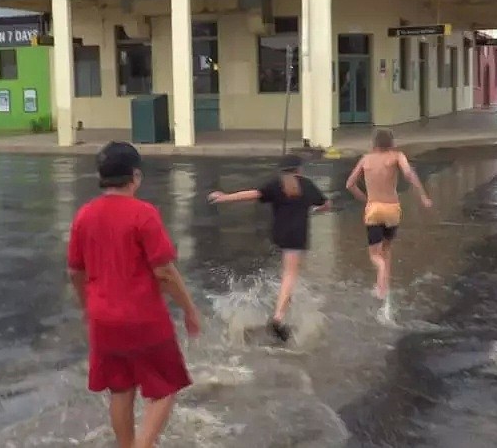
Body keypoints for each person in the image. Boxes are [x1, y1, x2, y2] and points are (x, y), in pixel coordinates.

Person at [67, 141, 202, 448]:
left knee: (120, 389)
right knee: (167, 386)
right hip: (143, 319)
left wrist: (88, 307)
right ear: (136, 176)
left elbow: (75, 272)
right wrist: (190, 310)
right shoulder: (143, 213)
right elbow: (164, 272)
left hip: (104, 321)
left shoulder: (84, 215)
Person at [208, 154, 330, 342]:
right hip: (297, 236)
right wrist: (315, 210)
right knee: (290, 275)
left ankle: (285, 301)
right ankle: (278, 318)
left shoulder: (276, 184)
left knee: (289, 272)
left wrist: (225, 198)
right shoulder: (307, 185)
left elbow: (252, 194)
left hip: (280, 235)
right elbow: (326, 204)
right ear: (299, 169)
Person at [345, 129, 433, 304]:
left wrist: (365, 199)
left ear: (374, 143)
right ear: (391, 143)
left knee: (375, 255)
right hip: (392, 210)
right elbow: (408, 174)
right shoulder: (397, 156)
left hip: (374, 209)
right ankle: (384, 287)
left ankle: (381, 273)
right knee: (387, 248)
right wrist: (423, 195)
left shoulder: (365, 159)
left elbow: (349, 184)